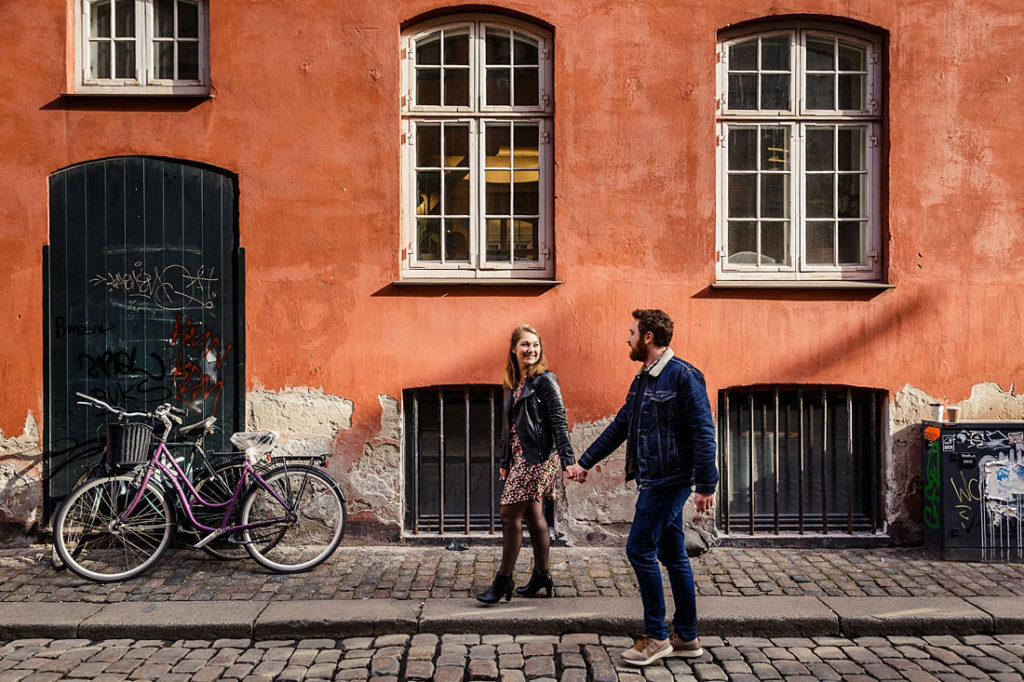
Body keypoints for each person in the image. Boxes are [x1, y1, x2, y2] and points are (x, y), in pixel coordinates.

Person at [566, 309, 718, 666]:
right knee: (674, 554)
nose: (627, 338)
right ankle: (687, 635)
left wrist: (706, 484)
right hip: (654, 478)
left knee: (638, 550)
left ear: (648, 337)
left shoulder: (683, 376)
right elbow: (621, 425)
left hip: (670, 481)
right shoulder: (644, 380)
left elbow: (704, 432)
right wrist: (584, 462)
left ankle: (656, 636)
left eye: (631, 332)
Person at [477, 324, 576, 604]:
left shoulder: (546, 379)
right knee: (533, 515)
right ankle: (541, 576)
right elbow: (509, 427)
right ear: (514, 349)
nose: (531, 349)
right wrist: (505, 460)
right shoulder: (516, 382)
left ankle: (503, 581)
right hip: (522, 458)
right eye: (525, 345)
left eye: (535, 345)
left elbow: (559, 421)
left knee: (509, 515)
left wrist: (568, 461)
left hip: (538, 459)